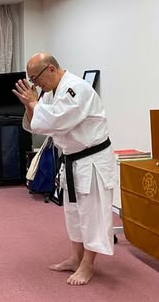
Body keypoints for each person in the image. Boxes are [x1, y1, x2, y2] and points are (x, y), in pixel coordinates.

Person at [13, 53, 117, 286]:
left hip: (92, 160)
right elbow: (37, 125)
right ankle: (76, 257)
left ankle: (88, 264)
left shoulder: (75, 89)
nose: (35, 84)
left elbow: (55, 121)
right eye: (31, 80)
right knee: (74, 212)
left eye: (35, 78)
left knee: (92, 213)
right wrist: (29, 104)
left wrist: (33, 103)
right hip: (72, 160)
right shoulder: (51, 92)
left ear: (51, 69)